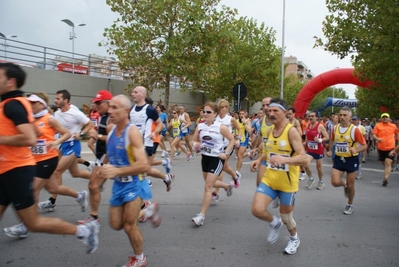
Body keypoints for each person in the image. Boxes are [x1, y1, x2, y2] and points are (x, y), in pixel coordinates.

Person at [0, 63, 99, 253]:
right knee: (63, 181)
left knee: (36, 210)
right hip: (20, 164)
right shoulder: (31, 113)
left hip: (31, 163)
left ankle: (81, 228)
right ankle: (80, 195)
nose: (32, 104)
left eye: (35, 102)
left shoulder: (20, 107)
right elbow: (34, 132)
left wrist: (73, 137)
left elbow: (81, 127)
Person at [98, 94, 161, 267]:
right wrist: (101, 170)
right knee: (116, 223)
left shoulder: (131, 132)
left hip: (134, 182)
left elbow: (144, 166)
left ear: (126, 111)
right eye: (109, 107)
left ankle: (140, 258)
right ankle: (147, 212)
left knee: (129, 226)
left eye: (114, 107)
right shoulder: (111, 130)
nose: (110, 110)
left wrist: (116, 170)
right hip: (119, 184)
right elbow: (110, 155)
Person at [250, 98, 311, 255]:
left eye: (275, 111)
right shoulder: (270, 130)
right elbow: (269, 150)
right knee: (256, 209)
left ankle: (294, 238)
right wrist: (259, 159)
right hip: (270, 180)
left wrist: (285, 160)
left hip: (287, 184)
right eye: (269, 111)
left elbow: (305, 158)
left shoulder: (291, 131)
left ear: (284, 113)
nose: (270, 113)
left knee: (287, 218)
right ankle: (273, 223)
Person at [37, 89, 93, 212]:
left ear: (66, 100)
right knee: (75, 173)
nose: (55, 100)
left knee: (56, 171)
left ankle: (52, 201)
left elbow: (90, 124)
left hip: (74, 144)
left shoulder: (75, 113)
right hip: (64, 145)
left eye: (58, 98)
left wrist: (81, 133)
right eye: (55, 98)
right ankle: (97, 178)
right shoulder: (56, 114)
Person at [191, 102, 235, 226]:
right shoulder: (200, 126)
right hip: (205, 157)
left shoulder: (221, 127)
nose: (205, 114)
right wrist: (196, 145)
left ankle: (201, 216)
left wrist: (226, 153)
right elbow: (193, 140)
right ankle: (227, 187)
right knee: (209, 183)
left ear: (215, 114)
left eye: (208, 112)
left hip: (217, 158)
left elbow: (232, 139)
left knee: (208, 186)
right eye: (204, 111)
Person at [78, 90, 114, 224]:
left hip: (110, 158)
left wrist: (97, 136)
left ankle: (144, 207)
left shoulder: (112, 117)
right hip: (101, 156)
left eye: (99, 103)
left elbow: (114, 139)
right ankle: (93, 217)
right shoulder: (103, 116)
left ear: (107, 103)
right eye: (95, 103)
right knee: (93, 186)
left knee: (126, 186)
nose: (96, 106)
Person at [129, 86, 174, 191]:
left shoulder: (149, 110)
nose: (132, 94)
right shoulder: (131, 109)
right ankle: (166, 177)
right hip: (132, 145)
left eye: (135, 92)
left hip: (145, 145)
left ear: (143, 95)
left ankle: (143, 202)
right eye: (132, 92)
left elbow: (161, 125)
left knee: (138, 171)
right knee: (145, 170)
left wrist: (154, 133)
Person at [326, 106, 367, 215]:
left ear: (350, 117)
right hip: (339, 158)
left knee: (351, 185)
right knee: (334, 182)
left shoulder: (355, 130)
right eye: (341, 115)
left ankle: (350, 204)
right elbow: (332, 139)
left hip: (351, 159)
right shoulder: (335, 128)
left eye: (345, 115)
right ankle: (343, 184)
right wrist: (330, 150)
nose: (342, 117)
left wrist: (356, 150)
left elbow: (364, 145)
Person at [212, 99, 241, 201]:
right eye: (221, 107)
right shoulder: (215, 119)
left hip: (228, 145)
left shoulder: (231, 119)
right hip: (218, 146)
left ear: (228, 108)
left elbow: (239, 129)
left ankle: (216, 193)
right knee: (224, 167)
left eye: (225, 107)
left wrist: (238, 139)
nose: (223, 109)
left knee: (220, 167)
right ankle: (235, 176)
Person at [303, 111, 329, 190]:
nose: (310, 117)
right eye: (309, 116)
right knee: (305, 164)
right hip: (310, 149)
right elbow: (307, 137)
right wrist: (305, 143)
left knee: (319, 168)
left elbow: (327, 137)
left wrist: (320, 140)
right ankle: (311, 178)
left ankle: (321, 182)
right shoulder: (308, 125)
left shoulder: (320, 126)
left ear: (316, 117)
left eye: (313, 116)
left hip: (318, 150)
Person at [372, 112, 399, 186]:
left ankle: (385, 178)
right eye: (383, 117)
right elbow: (374, 134)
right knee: (384, 163)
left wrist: (397, 138)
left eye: (386, 117)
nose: (385, 118)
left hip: (391, 148)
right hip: (381, 148)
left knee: (388, 162)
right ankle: (388, 170)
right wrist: (377, 138)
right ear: (381, 118)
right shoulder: (378, 125)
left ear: (389, 118)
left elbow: (397, 132)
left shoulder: (393, 126)